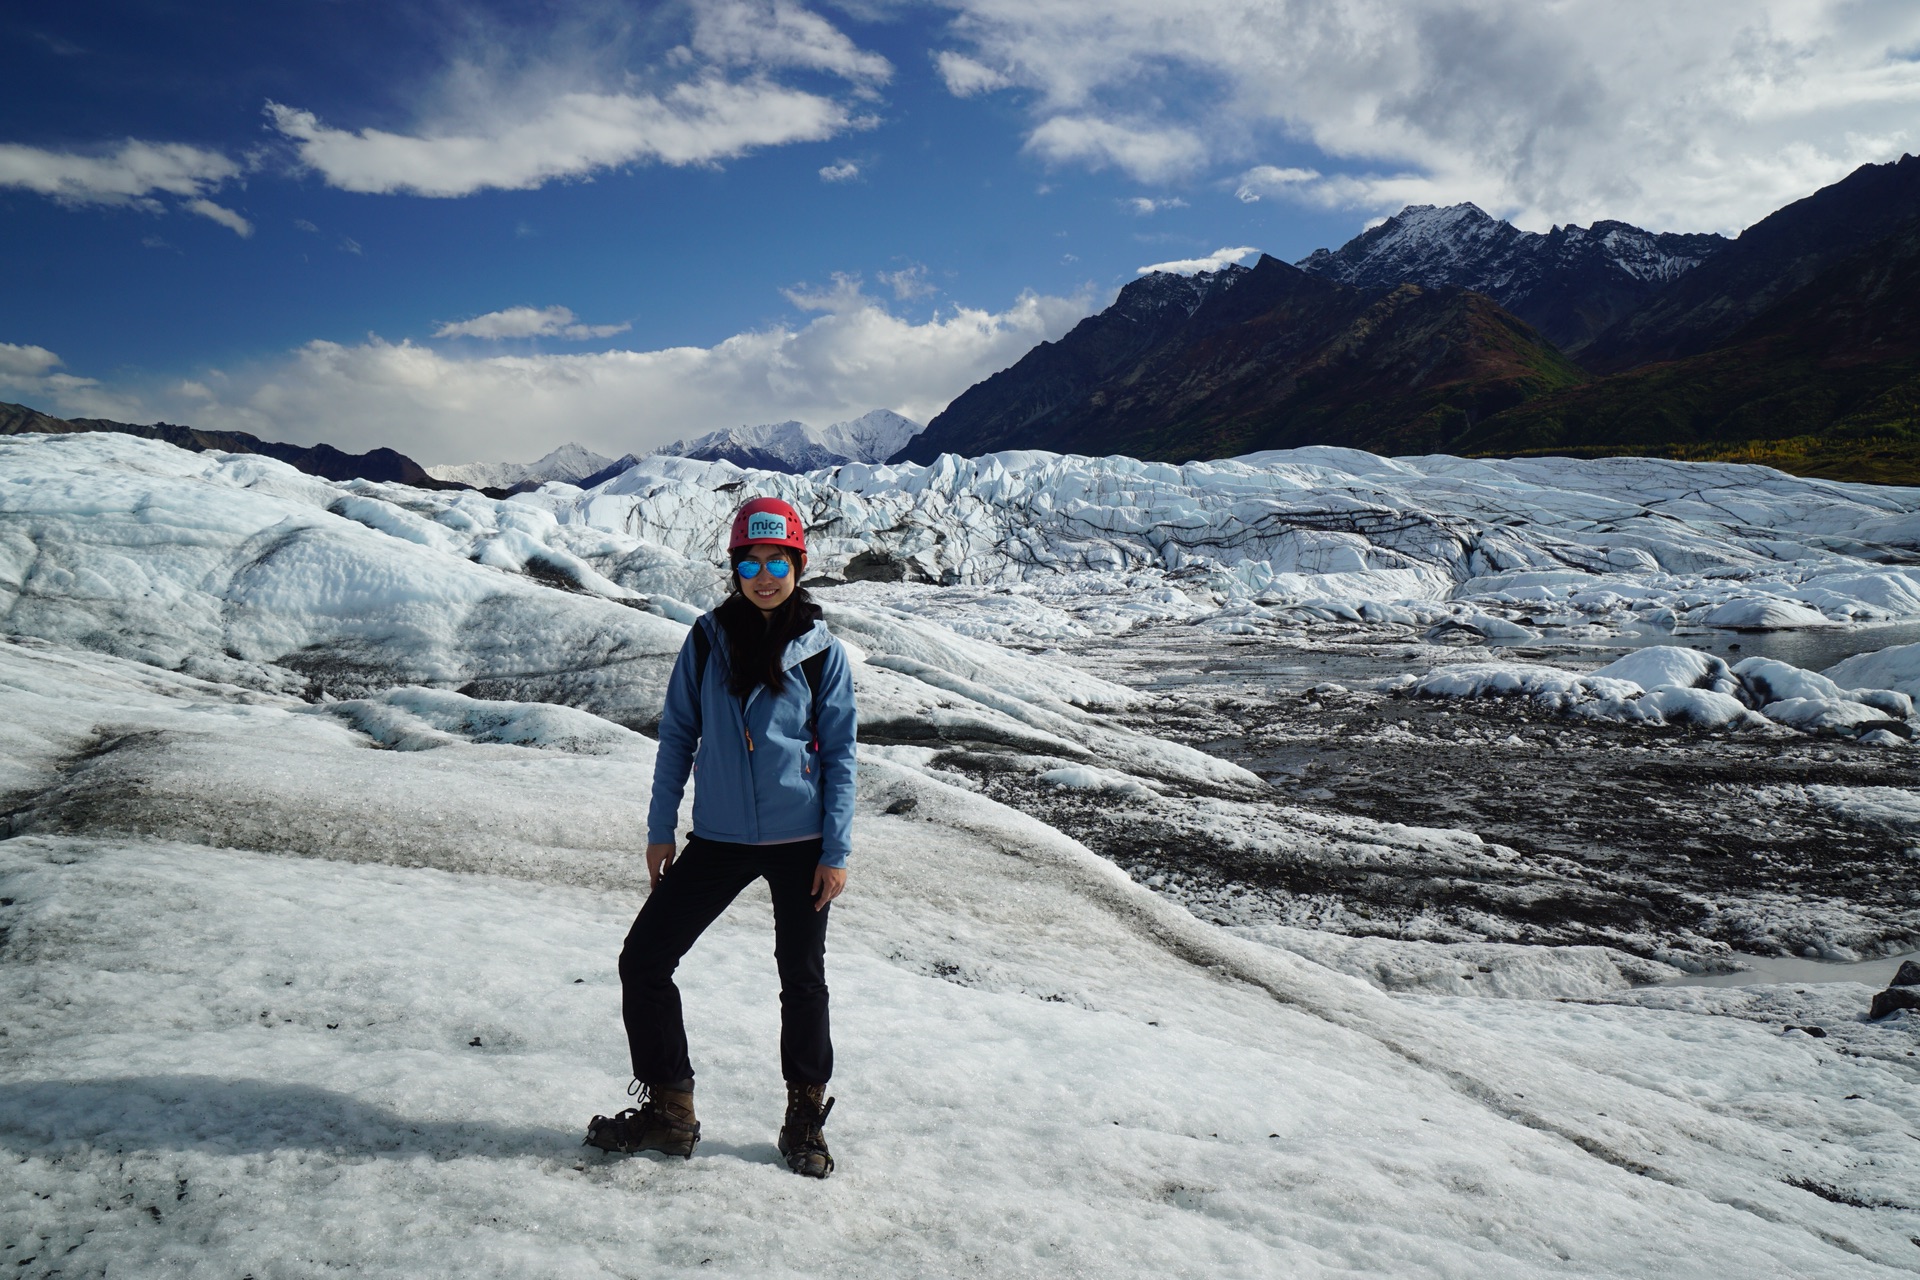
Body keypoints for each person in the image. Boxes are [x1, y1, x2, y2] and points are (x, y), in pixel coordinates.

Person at [584, 496, 857, 1178]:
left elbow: (843, 756)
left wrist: (836, 850)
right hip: (720, 838)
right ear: (735, 567)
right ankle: (670, 1112)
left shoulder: (824, 654)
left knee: (802, 980)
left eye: (777, 561)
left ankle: (803, 1122)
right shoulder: (706, 640)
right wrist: (659, 829)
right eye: (750, 562)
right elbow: (679, 734)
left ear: (798, 564)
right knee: (644, 960)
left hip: (801, 844)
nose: (763, 575)